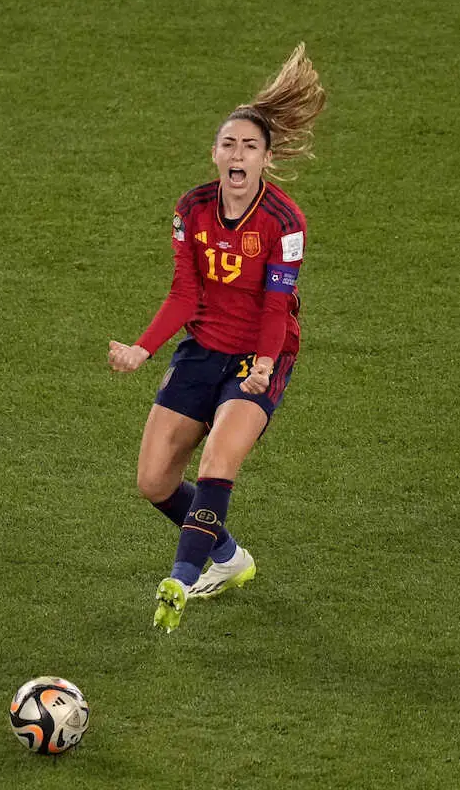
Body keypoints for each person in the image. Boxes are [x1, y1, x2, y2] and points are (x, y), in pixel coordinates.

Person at [108, 43, 326, 633]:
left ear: (266, 159)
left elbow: (277, 307)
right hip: (203, 348)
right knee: (153, 481)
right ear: (214, 153)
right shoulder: (192, 209)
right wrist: (141, 348)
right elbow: (184, 293)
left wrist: (261, 364)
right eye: (228, 144)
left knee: (216, 462)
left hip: (262, 354)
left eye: (249, 146)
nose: (237, 154)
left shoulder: (285, 222)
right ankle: (229, 557)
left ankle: (181, 577)